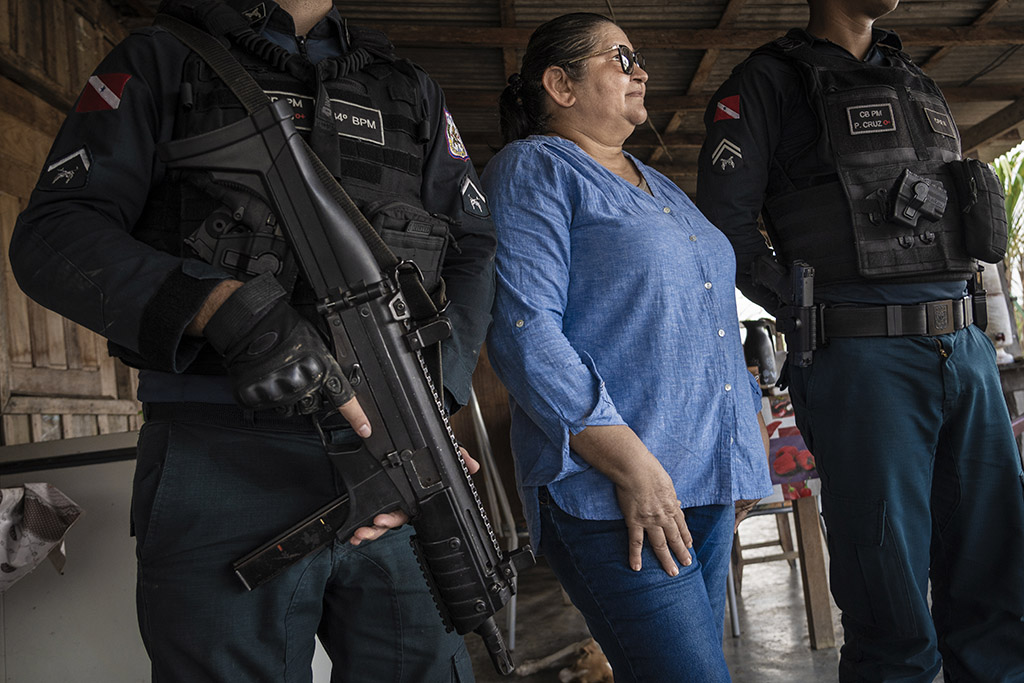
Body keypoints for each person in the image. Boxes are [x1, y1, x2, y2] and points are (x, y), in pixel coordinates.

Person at [8, 0, 496, 681]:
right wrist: (224, 309)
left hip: (392, 455)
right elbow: (53, 237)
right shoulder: (162, 58)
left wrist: (429, 400)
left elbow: (473, 251)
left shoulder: (409, 88)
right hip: (221, 451)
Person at [697, 1, 1024, 681]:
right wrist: (807, 305)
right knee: (890, 599)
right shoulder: (766, 80)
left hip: (964, 350)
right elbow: (721, 226)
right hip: (863, 357)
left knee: (998, 576)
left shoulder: (915, 78)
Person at [482, 13, 773, 683]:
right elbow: (525, 334)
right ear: (560, 83)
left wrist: (743, 442)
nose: (641, 70)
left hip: (704, 479)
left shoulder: (657, 183)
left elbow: (708, 320)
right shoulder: (535, 169)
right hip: (619, 488)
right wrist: (634, 465)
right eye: (621, 58)